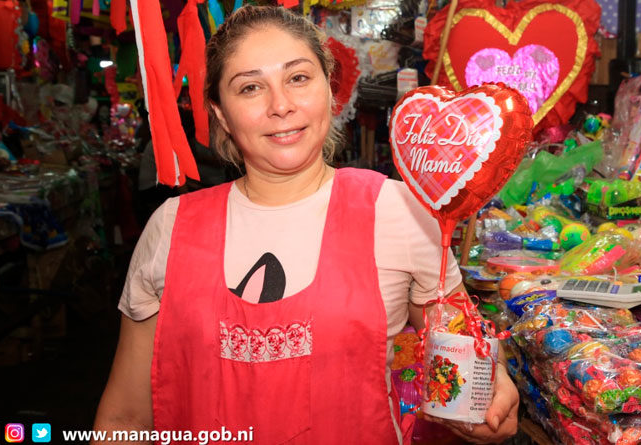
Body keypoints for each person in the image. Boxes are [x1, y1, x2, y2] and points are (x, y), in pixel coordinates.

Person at [93, 6, 518, 444]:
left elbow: (465, 358)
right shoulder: (171, 228)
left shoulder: (399, 210)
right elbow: (124, 420)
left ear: (329, 90)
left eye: (298, 78)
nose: (281, 106)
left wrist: (489, 395)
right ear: (221, 114)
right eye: (251, 87)